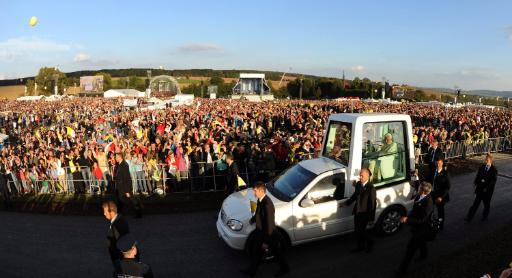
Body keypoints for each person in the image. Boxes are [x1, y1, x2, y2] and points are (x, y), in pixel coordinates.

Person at [242, 181, 289, 277]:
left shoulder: (268, 204)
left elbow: (270, 224)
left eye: (255, 191)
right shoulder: (260, 200)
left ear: (261, 191)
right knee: (257, 252)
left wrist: (266, 242)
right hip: (261, 233)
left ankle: (285, 269)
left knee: (277, 253)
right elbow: (258, 212)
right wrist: (253, 219)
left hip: (269, 235)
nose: (253, 193)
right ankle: (252, 271)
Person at [397, 182, 434, 276]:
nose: (417, 189)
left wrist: (408, 219)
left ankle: (401, 270)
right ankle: (424, 255)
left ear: (423, 191)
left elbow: (422, 220)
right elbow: (414, 210)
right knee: (421, 243)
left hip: (422, 230)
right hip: (416, 228)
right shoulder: (418, 197)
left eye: (419, 188)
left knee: (410, 249)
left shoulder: (429, 202)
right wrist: (408, 217)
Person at [340, 168, 377, 253]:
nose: (360, 177)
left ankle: (370, 242)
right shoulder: (358, 184)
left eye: (362, 176)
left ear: (367, 176)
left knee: (361, 231)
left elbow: (372, 205)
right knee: (357, 231)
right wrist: (346, 203)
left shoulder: (371, 189)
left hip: (365, 214)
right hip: (357, 211)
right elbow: (354, 196)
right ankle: (361, 247)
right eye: (360, 175)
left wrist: (371, 218)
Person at [465, 153, 498, 222]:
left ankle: (485, 216)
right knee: (475, 204)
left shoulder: (494, 170)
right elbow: (478, 176)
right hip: (480, 190)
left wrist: (487, 188)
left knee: (486, 205)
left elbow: (493, 182)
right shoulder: (482, 167)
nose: (485, 160)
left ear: (490, 160)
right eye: (485, 159)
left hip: (487, 192)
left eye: (487, 159)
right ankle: (469, 217)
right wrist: (475, 182)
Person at [114, 152, 142, 218]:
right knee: (121, 202)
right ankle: (119, 215)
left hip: (125, 188)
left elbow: (127, 178)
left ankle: (138, 212)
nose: (115, 158)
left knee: (131, 201)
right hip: (120, 188)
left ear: (119, 157)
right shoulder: (120, 165)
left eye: (116, 157)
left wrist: (127, 190)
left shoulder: (124, 165)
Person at [428, 158, 450, 230]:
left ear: (442, 163)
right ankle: (430, 223)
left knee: (440, 211)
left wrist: (441, 197)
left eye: (439, 163)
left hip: (440, 196)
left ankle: (441, 225)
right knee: (429, 209)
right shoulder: (432, 171)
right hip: (432, 194)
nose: (438, 164)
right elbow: (427, 180)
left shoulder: (445, 173)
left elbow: (447, 187)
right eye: (437, 163)